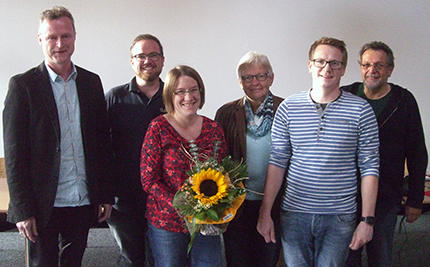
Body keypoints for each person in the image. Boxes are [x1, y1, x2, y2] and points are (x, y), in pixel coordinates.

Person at [3, 6, 113, 267]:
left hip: (82, 198)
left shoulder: (91, 82)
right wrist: (22, 208)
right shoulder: (23, 86)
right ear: (40, 40)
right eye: (52, 37)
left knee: (74, 262)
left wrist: (106, 194)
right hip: (42, 204)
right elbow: (14, 154)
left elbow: (101, 144)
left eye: (66, 36)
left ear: (75, 37)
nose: (60, 44)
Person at [257, 37, 380, 266]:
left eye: (335, 63)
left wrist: (367, 221)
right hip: (294, 214)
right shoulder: (288, 108)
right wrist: (265, 213)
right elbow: (277, 163)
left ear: (343, 69)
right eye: (321, 61)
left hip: (339, 217)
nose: (327, 68)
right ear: (310, 65)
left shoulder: (361, 111)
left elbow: (370, 168)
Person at [343, 41, 428, 267]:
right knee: (347, 257)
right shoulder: (345, 96)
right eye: (367, 64)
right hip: (346, 196)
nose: (373, 70)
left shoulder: (404, 101)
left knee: (380, 257)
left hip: (386, 196)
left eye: (380, 65)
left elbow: (418, 153)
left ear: (390, 69)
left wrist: (415, 199)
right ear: (360, 67)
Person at [141, 65, 227, 267]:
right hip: (167, 223)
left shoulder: (214, 129)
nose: (188, 97)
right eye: (180, 91)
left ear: (201, 92)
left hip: (207, 223)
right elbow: (149, 180)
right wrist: (183, 205)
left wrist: (218, 209)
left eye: (193, 89)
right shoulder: (158, 128)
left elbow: (224, 174)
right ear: (170, 95)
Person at [215, 51, 283, 267]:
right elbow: (218, 158)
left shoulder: (287, 110)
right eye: (247, 77)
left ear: (271, 78)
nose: (255, 82)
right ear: (239, 81)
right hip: (237, 205)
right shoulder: (226, 113)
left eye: (261, 76)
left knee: (268, 260)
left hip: (274, 205)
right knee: (237, 261)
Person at [105, 34, 165, 267]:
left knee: (166, 257)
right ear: (132, 61)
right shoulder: (115, 98)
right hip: (125, 198)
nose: (147, 60)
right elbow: (100, 148)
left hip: (167, 196)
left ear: (162, 60)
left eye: (153, 55)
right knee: (132, 259)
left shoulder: (175, 96)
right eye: (140, 56)